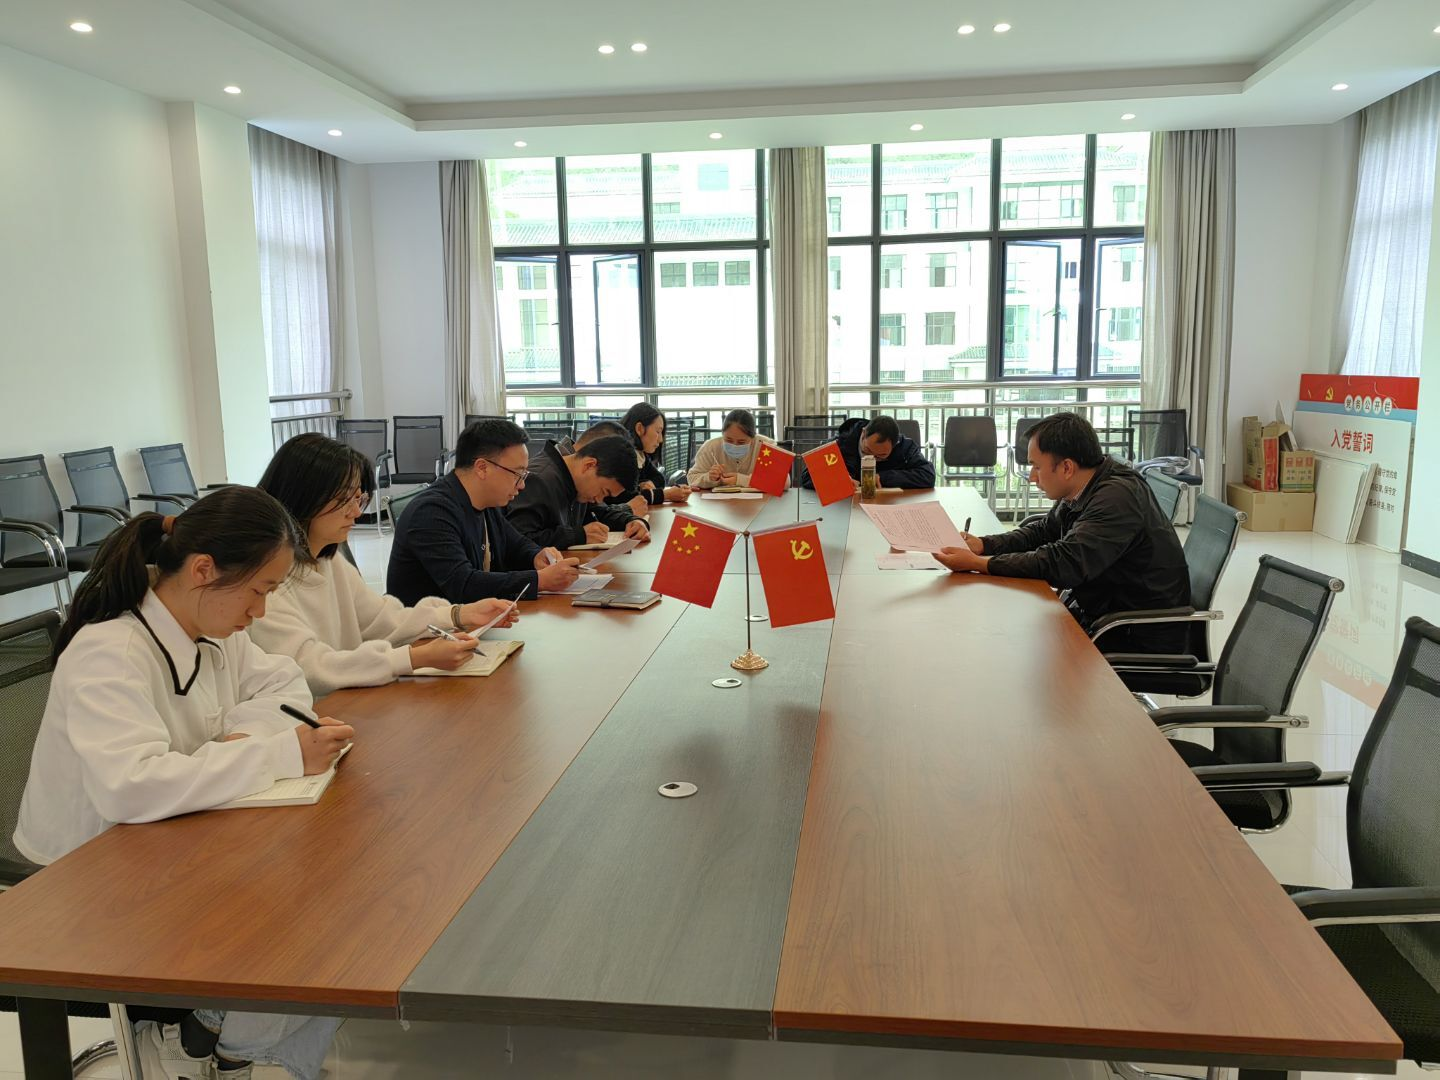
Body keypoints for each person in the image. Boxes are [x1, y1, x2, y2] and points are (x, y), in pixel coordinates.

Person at [13, 487, 351, 1080]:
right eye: (259, 590)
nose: (261, 611)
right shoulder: (110, 652)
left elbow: (285, 686)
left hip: (174, 839)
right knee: (317, 926)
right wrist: (274, 752)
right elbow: (131, 787)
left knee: (341, 900)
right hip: (88, 875)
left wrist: (240, 741)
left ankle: (222, 1045)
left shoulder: (215, 628)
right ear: (203, 571)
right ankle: (210, 1044)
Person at [252, 434, 520, 695]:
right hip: (312, 713)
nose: (357, 511)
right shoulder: (263, 582)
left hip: (346, 704)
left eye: (359, 498)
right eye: (344, 500)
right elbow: (310, 667)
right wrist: (412, 658)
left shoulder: (328, 559)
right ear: (304, 496)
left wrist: (459, 615)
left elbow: (382, 619)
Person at [933, 411, 1190, 653]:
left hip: (1133, 633)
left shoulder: (1116, 498)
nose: (1032, 478)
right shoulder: (1085, 484)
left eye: (1036, 467)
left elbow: (1065, 564)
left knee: (1006, 644)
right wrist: (983, 545)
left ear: (1067, 467)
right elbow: (1044, 532)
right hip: (1102, 612)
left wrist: (980, 564)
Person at [386, 419, 583, 606]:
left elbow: (515, 544)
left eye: (524, 475)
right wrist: (539, 580)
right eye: (518, 474)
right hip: (431, 626)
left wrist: (536, 555)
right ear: (482, 468)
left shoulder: (485, 502)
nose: (522, 485)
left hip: (473, 621)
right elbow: (463, 585)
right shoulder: (432, 512)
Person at [506, 434, 649, 549]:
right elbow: (518, 541)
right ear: (589, 465)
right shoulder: (538, 481)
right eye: (604, 492)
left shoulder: (576, 483)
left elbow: (599, 513)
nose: (599, 499)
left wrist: (632, 521)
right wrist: (578, 536)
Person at [803, 415, 934, 491]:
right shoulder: (840, 443)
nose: (872, 458)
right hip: (846, 508)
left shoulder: (904, 447)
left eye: (881, 456)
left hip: (886, 507)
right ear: (863, 433)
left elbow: (927, 475)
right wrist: (838, 480)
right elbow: (807, 476)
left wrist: (883, 477)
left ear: (895, 445)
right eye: (867, 451)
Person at [686, 408, 788, 490]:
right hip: (719, 506)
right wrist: (709, 478)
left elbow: (785, 482)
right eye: (728, 440)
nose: (734, 445)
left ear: (753, 437)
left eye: (741, 442)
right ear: (722, 433)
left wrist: (741, 480)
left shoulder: (767, 446)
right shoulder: (711, 447)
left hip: (759, 505)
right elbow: (691, 478)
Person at [617, 403, 692, 513]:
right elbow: (626, 498)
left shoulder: (640, 454)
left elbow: (659, 479)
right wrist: (666, 495)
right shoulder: (621, 456)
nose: (661, 439)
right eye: (658, 431)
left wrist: (644, 484)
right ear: (639, 428)